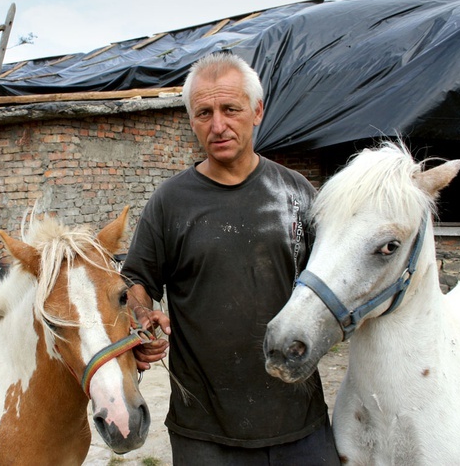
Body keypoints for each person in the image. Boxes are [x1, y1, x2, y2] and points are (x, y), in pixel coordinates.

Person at [121, 52, 339, 465]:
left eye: (230, 109)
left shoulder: (297, 195)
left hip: (299, 421)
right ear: (191, 120)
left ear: (256, 111)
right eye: (204, 113)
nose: (217, 125)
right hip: (205, 432)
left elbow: (334, 277)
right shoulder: (170, 202)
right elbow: (138, 280)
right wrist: (140, 318)